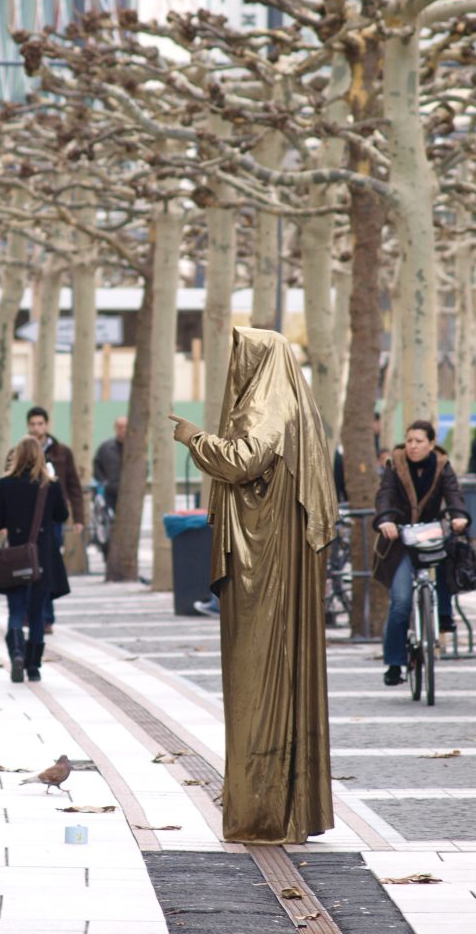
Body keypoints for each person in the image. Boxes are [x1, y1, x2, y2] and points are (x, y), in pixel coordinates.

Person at [169, 326, 336, 844]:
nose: (234, 368)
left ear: (260, 361)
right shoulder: (295, 407)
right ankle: (279, 805)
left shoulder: (269, 405)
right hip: (270, 559)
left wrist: (194, 438)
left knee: (259, 674)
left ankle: (264, 811)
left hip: (262, 567)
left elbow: (244, 461)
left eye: (242, 356)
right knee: (271, 673)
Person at [373, 420, 469, 686]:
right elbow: (384, 495)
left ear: (431, 443)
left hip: (432, 536)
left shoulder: (442, 466)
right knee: (401, 601)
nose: (412, 446)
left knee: (449, 555)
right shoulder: (395, 465)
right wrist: (385, 520)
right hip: (401, 539)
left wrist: (458, 516)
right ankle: (394, 663)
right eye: (409, 440)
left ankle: (444, 613)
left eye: (418, 441)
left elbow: (454, 495)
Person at [0, 436, 69, 683]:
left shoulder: (5, 484)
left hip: (16, 557)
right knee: (37, 614)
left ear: (16, 457)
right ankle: (33, 666)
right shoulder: (51, 485)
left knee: (16, 611)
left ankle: (16, 653)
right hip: (43, 557)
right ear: (40, 457)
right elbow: (62, 515)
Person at [25, 406, 83, 634]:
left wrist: (79, 517)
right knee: (28, 566)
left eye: (40, 424)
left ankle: (46, 616)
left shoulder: (62, 452)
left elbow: (74, 485)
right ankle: (30, 614)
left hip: (53, 518)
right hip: (27, 519)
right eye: (33, 424)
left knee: (47, 567)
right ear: (28, 426)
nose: (37, 428)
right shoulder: (20, 451)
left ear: (47, 425)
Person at [93, 416, 127, 512]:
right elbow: (97, 465)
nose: (123, 430)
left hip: (132, 494)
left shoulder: (136, 449)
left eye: (125, 426)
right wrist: (104, 482)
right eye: (120, 427)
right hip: (110, 493)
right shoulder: (106, 447)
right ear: (115, 428)